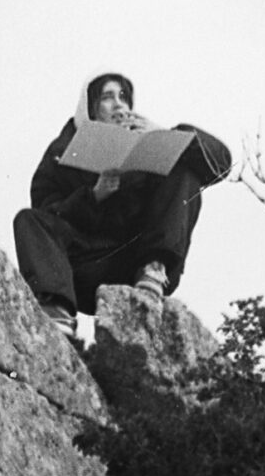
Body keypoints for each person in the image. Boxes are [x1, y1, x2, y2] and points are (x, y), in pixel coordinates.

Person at [13, 71, 231, 337]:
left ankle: (154, 269)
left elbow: (221, 164)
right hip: (83, 267)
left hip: (135, 261)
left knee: (185, 171)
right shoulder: (62, 150)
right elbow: (46, 212)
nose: (118, 104)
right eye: (107, 97)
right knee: (27, 219)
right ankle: (56, 311)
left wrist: (163, 133)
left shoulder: (152, 141)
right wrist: (93, 196)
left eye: (124, 97)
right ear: (91, 106)